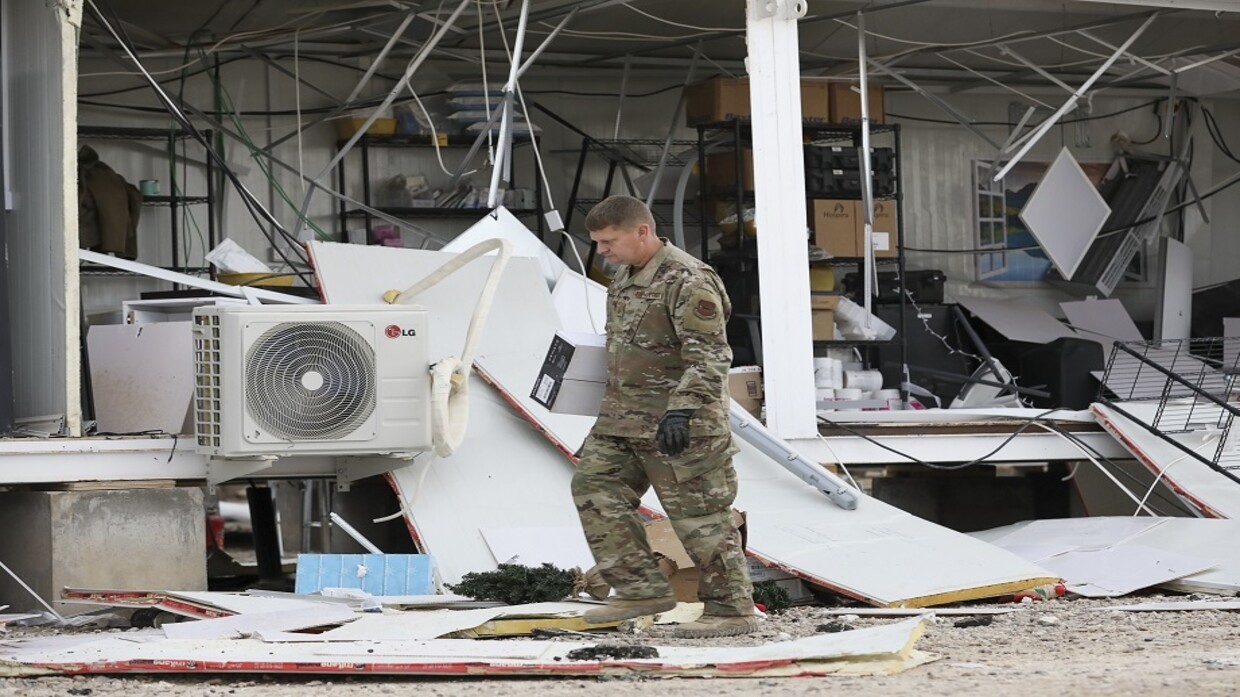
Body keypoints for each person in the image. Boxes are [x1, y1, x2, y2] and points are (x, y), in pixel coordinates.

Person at [573, 195, 755, 639]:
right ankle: (640, 588)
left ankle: (732, 611)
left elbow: (710, 356)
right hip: (623, 420)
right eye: (597, 243)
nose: (602, 252)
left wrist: (682, 412)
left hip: (682, 422)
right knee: (594, 488)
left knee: (700, 516)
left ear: (641, 231)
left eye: (608, 241)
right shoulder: (624, 277)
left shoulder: (687, 280)